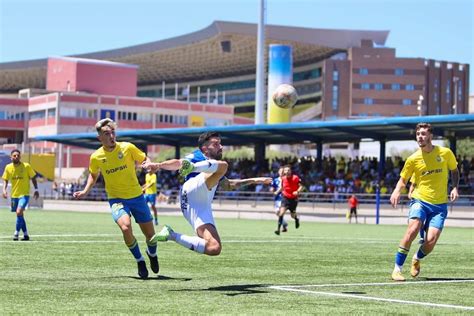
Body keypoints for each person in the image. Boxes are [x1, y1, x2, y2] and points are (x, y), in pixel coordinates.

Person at [142, 131, 272, 256]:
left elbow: (228, 185)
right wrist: (158, 165)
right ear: (204, 148)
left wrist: (254, 180)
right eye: (216, 144)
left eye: (220, 143)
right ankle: (193, 168)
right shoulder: (198, 156)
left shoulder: (216, 167)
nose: (220, 147)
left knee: (214, 247)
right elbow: (179, 163)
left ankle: (171, 235)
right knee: (223, 166)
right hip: (192, 190)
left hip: (198, 206)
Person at [73, 118, 158, 279]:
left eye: (113, 132)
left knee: (151, 237)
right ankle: (140, 260)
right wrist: (85, 191)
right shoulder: (96, 157)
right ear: (100, 138)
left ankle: (152, 254)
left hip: (137, 197)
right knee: (126, 227)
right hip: (116, 199)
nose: (111, 136)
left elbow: (144, 159)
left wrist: (148, 164)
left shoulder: (127, 147)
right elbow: (93, 174)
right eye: (106, 133)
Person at [389, 122, 459, 281]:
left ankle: (417, 258)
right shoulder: (413, 159)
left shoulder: (446, 153)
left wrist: (455, 188)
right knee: (412, 229)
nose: (420, 137)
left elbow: (454, 171)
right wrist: (396, 191)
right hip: (420, 200)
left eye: (423, 134)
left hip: (440, 205)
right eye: (418, 134)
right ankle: (397, 270)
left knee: (431, 241)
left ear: (430, 136)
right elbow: (403, 179)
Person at [2, 149, 39, 241]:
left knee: (19, 212)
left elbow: (33, 178)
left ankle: (16, 233)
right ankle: (26, 234)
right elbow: (5, 180)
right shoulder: (8, 167)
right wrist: (4, 190)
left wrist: (36, 189)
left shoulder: (26, 166)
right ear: (11, 157)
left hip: (24, 194)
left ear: (20, 157)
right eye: (14, 155)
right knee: (20, 215)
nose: (16, 157)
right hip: (14, 195)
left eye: (18, 155)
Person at [274, 165, 303, 235]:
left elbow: (301, 186)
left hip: (293, 199)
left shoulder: (295, 178)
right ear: (284, 172)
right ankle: (278, 229)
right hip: (285, 198)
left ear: (291, 171)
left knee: (292, 216)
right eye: (285, 170)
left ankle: (296, 219)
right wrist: (277, 192)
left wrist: (297, 191)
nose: (287, 172)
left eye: (288, 170)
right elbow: (282, 187)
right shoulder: (283, 179)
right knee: (281, 213)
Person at [270, 167, 288, 232]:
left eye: (283, 171)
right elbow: (272, 187)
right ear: (278, 172)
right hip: (277, 198)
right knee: (277, 212)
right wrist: (272, 190)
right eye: (280, 171)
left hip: (284, 197)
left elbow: (283, 187)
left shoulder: (286, 179)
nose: (281, 173)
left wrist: (277, 191)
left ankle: (282, 226)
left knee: (279, 212)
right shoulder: (275, 180)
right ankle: (284, 225)